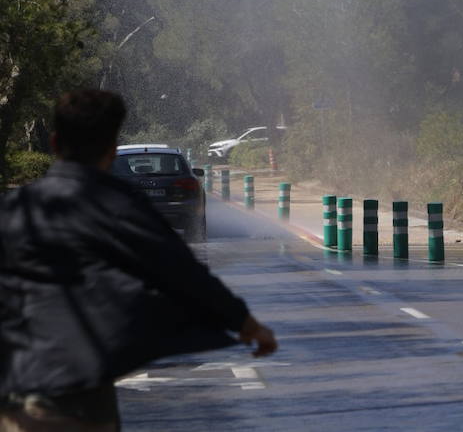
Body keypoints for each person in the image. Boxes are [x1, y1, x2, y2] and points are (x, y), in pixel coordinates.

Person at [0, 89, 277, 431]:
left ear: (55, 143)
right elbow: (180, 272)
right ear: (111, 150)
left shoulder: (14, 209)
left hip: (15, 389)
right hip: (78, 392)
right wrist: (247, 324)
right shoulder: (116, 207)